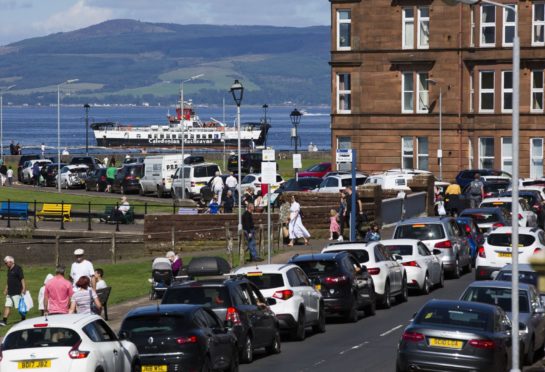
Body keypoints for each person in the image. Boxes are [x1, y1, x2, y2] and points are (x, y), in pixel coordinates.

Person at [0, 256, 26, 326]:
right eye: (5, 263)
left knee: (19, 308)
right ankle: (4, 321)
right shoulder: (9, 269)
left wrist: (23, 288)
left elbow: (22, 279)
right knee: (7, 305)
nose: (5, 264)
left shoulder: (18, 268)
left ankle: (23, 318)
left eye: (6, 263)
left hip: (17, 292)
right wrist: (6, 289)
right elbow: (9, 280)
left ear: (11, 262)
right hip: (10, 292)